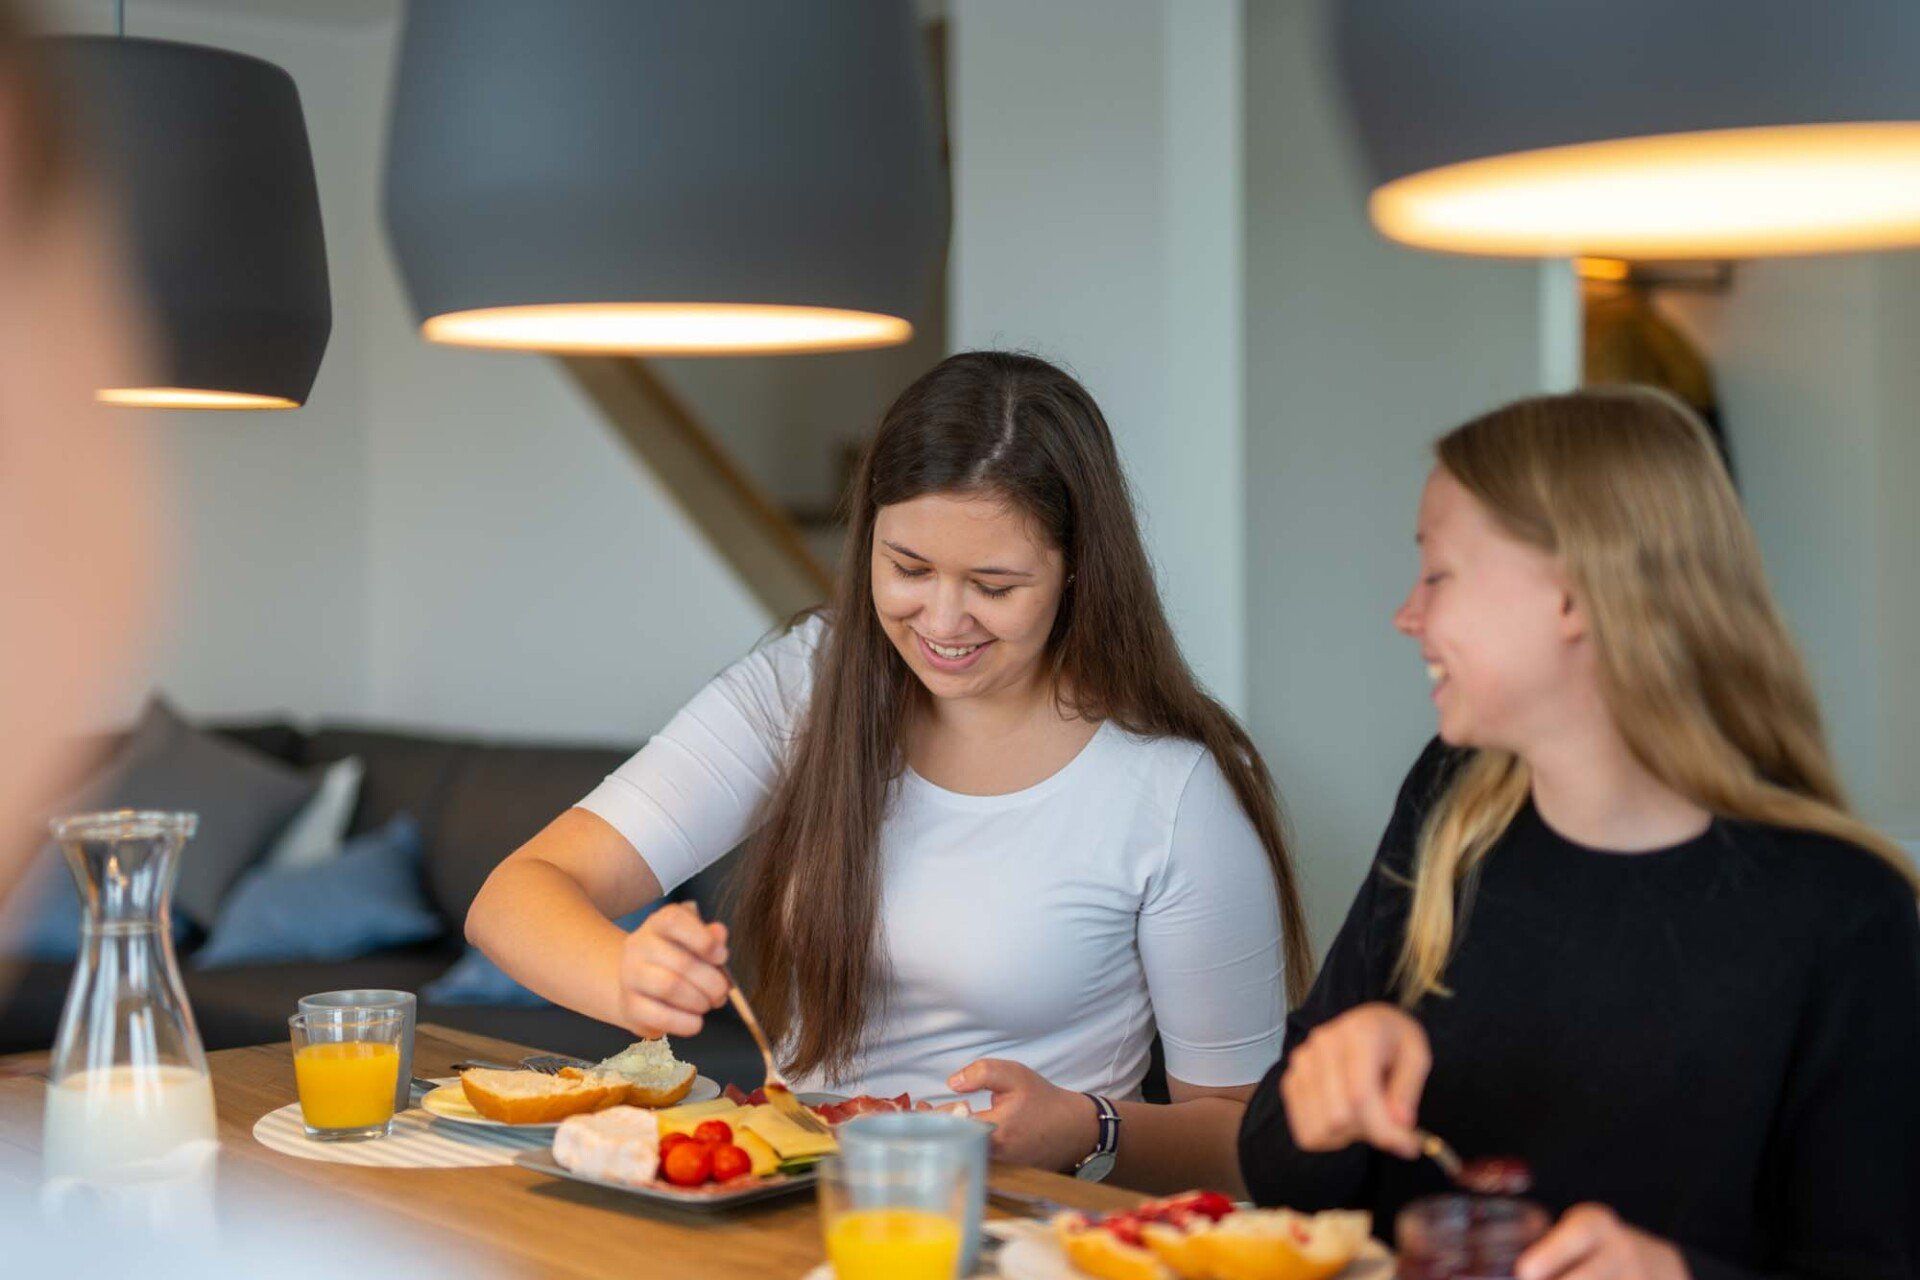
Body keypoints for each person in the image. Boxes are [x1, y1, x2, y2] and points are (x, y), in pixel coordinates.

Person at [468, 350, 1313, 1190]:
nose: (941, 621)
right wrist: (625, 975)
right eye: (908, 568)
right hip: (792, 1210)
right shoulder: (806, 683)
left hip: (1016, 1232)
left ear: (1079, 572)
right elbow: (515, 896)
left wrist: (1087, 1128)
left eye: (993, 584)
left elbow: (1245, 1138)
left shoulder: (1173, 788)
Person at [1239, 388, 1919, 1280]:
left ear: (1574, 595)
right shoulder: (1446, 808)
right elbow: (1277, 1181)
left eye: (1438, 573)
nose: (1409, 614)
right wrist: (1318, 1104)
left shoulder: (1846, 915)